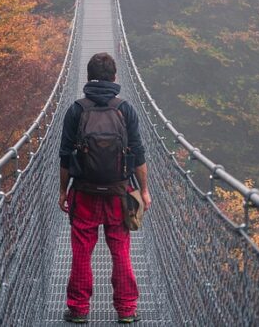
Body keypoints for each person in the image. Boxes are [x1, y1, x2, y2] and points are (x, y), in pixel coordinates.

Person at [58, 52, 151, 324]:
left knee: (81, 252)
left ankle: (78, 310)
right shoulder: (125, 109)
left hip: (84, 193)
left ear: (88, 78)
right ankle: (126, 310)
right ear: (115, 77)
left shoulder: (76, 109)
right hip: (119, 194)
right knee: (121, 251)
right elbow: (139, 154)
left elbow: (65, 156)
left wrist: (63, 191)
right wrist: (144, 190)